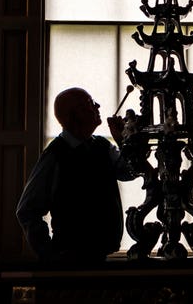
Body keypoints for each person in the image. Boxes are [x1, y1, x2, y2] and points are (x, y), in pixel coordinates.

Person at [15, 87, 135, 264]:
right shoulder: (56, 155)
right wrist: (49, 255)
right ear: (73, 115)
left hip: (101, 256)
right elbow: (27, 209)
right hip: (68, 262)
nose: (97, 106)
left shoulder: (102, 146)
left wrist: (124, 140)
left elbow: (129, 173)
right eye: (90, 104)